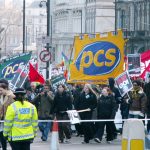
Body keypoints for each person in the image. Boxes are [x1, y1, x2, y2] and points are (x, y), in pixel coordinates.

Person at [0, 83, 14, 150]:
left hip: (9, 119)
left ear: (5, 89)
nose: (0, 92)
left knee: (9, 137)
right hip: (2, 119)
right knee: (1, 135)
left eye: (1, 90)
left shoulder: (11, 96)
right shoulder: (1, 96)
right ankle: (4, 148)